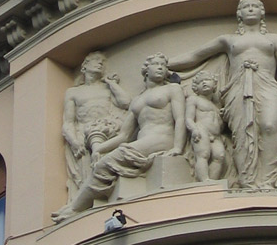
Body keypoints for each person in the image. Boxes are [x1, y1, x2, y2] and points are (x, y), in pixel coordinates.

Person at [169, 0, 277, 190]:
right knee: (241, 134)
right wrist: (166, 64)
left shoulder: (274, 40)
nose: (250, 9)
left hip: (268, 86)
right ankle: (247, 181)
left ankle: (267, 180)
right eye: (246, 6)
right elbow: (195, 56)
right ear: (239, 13)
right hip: (239, 89)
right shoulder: (228, 40)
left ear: (262, 12)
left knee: (270, 126)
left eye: (254, 6)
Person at [52, 53, 186, 221]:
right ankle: (76, 205)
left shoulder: (172, 89)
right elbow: (124, 135)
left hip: (162, 139)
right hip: (143, 143)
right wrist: (100, 149)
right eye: (156, 64)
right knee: (103, 162)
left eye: (163, 65)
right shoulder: (137, 100)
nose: (160, 67)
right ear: (146, 70)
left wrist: (178, 147)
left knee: (110, 160)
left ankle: (75, 208)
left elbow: (180, 119)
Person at [60, 51, 130, 199]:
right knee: (88, 177)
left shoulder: (107, 88)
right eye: (95, 60)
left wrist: (112, 83)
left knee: (108, 171)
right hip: (83, 135)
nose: (100, 63)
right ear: (84, 66)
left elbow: (126, 103)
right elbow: (68, 123)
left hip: (107, 131)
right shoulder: (73, 92)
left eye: (102, 62)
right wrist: (75, 142)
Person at [185, 71, 227, 181]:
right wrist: (194, 129)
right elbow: (188, 118)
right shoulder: (194, 99)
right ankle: (204, 180)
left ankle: (212, 182)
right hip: (201, 131)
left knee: (220, 156)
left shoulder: (215, 106)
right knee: (203, 154)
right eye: (200, 82)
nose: (204, 83)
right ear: (196, 87)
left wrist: (222, 117)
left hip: (216, 136)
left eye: (207, 80)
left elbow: (219, 125)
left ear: (214, 85)